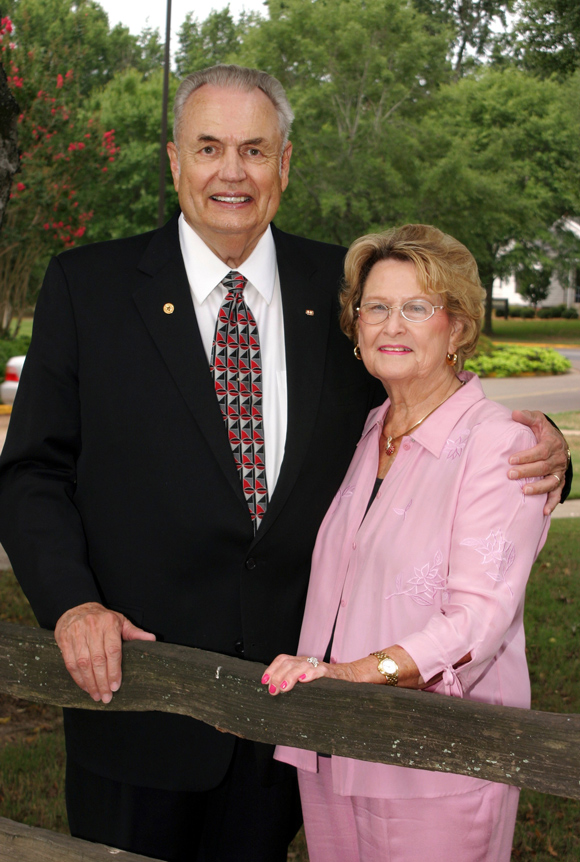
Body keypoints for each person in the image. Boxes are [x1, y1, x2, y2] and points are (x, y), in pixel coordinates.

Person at [0, 66, 570, 862]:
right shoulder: (87, 288)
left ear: (285, 165)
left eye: (254, 150)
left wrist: (541, 447)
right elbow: (32, 472)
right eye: (209, 148)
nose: (231, 172)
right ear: (173, 161)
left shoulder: (344, 292)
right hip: (137, 699)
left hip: (297, 720)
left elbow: (426, 398)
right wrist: (71, 604)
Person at [264, 225, 553, 862]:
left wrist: (352, 675)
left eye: (417, 307)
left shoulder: (500, 444)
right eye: (376, 307)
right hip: (336, 742)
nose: (392, 324)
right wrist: (334, 688)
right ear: (357, 324)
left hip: (438, 758)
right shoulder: (370, 430)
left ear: (458, 328)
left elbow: (479, 616)